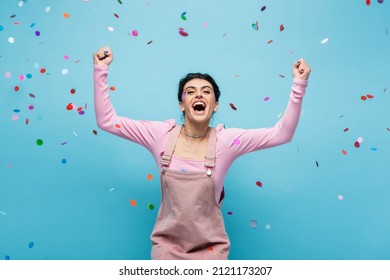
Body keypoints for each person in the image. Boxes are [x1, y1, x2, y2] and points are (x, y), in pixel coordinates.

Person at [93, 46, 311, 260]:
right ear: (181, 104)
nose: (199, 95)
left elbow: (282, 134)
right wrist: (100, 70)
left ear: (215, 105)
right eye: (191, 92)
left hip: (211, 252)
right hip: (166, 251)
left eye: (207, 92)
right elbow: (108, 121)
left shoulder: (227, 141)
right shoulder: (160, 134)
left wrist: (299, 85)